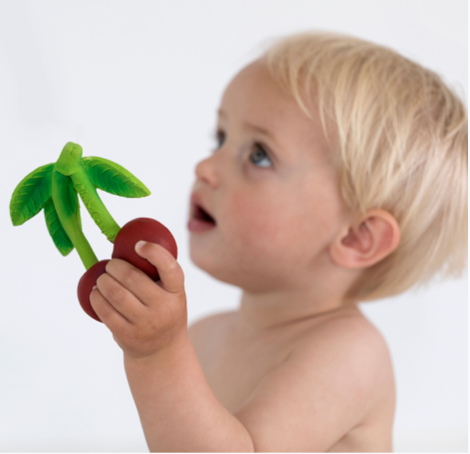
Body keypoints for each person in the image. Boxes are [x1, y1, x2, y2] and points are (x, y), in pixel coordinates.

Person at [88, 32, 467, 452]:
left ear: (357, 237)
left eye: (259, 155)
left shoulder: (350, 354)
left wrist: (156, 357)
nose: (205, 166)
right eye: (220, 138)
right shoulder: (203, 335)